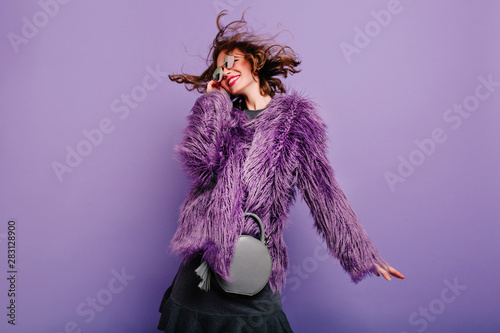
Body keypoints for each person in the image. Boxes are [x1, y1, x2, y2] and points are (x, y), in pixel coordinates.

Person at [157, 9, 405, 333]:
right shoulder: (222, 117)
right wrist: (212, 103)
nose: (226, 70)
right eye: (219, 68)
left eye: (231, 60)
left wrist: (361, 253)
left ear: (253, 61)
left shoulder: (293, 122)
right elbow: (201, 166)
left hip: (250, 261)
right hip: (202, 267)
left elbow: (324, 192)